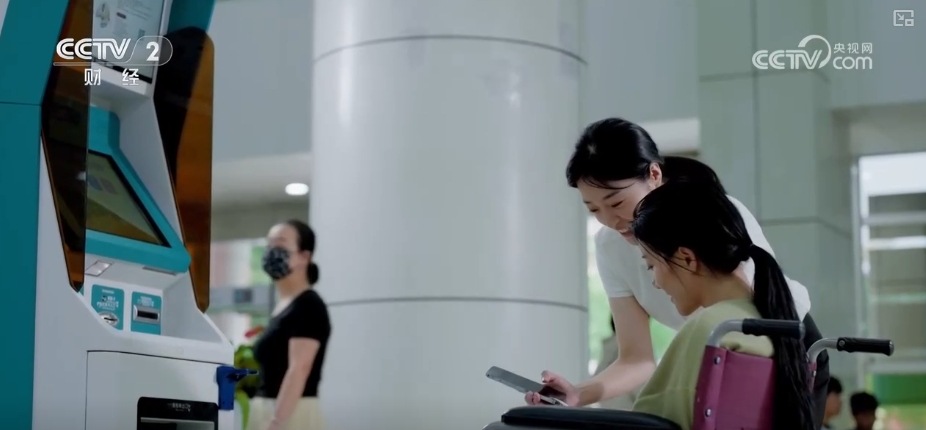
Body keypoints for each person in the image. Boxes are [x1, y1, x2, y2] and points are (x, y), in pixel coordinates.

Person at [525, 118, 830, 428]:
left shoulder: (709, 213)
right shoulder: (609, 246)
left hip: (779, 349)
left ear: (654, 174)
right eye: (593, 209)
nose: (611, 221)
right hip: (716, 349)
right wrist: (578, 393)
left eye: (616, 202)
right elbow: (636, 359)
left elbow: (743, 308)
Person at [612, 181, 816, 428]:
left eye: (651, 266)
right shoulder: (774, 325)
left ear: (687, 258)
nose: (654, 283)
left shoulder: (711, 330)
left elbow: (652, 422)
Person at [248, 220, 331, 430]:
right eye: (269, 245)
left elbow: (299, 368)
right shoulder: (283, 306)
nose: (271, 251)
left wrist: (277, 421)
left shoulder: (309, 305)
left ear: (304, 256)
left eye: (280, 244)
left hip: (290, 414)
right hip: (268, 409)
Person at [593, 319, 638, 410]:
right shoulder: (634, 349)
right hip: (629, 411)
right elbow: (642, 389)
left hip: (610, 410)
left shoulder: (609, 348)